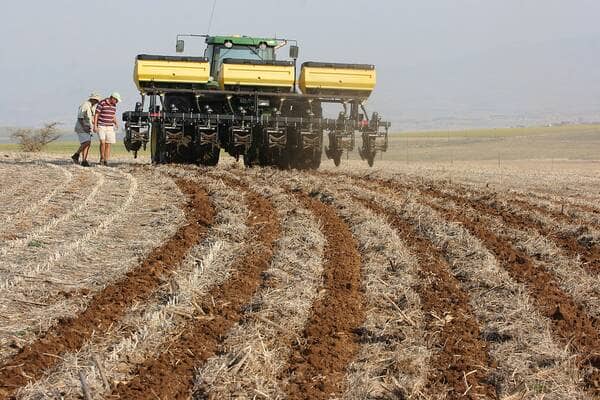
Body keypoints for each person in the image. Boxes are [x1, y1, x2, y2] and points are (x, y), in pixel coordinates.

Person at [72, 93, 102, 166]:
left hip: (87, 128)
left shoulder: (91, 106)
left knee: (87, 144)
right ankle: (76, 154)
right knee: (87, 142)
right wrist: (84, 126)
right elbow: (80, 117)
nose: (97, 102)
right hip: (81, 128)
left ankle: (84, 161)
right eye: (97, 101)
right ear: (93, 99)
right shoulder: (85, 105)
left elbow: (90, 118)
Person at [93, 92, 121, 166]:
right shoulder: (102, 103)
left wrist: (116, 123)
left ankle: (106, 160)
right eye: (116, 100)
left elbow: (113, 115)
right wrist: (95, 126)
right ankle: (102, 158)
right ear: (112, 98)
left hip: (110, 126)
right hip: (101, 126)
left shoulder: (114, 105)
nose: (117, 102)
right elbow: (96, 114)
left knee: (108, 144)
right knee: (102, 142)